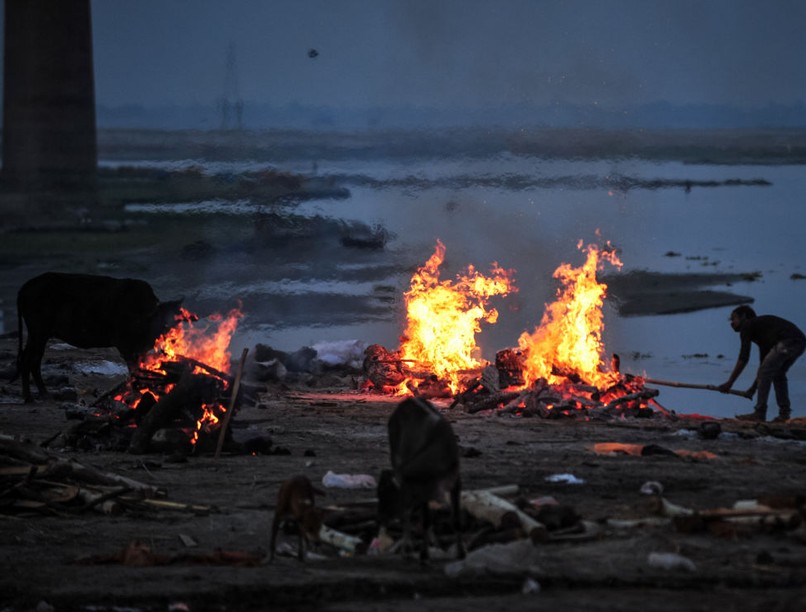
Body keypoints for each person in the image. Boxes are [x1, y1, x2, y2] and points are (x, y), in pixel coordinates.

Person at [718, 305, 806, 422]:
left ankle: (760, 413)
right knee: (777, 374)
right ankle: (784, 414)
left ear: (744, 317)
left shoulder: (747, 326)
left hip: (788, 341)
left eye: (733, 318)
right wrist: (753, 389)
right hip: (799, 343)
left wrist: (729, 383)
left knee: (768, 372)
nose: (731, 323)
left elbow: (744, 358)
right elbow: (762, 368)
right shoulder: (762, 335)